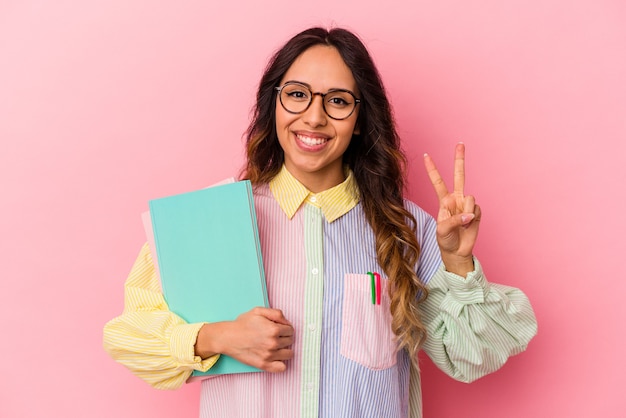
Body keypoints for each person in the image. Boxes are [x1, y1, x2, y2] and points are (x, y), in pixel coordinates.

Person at [103, 27, 537, 418]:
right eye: (297, 94)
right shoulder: (210, 220)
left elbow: (474, 356)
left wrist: (459, 264)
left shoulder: (408, 230)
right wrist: (217, 337)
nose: (314, 117)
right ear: (272, 103)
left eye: (337, 101)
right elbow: (128, 336)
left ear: (361, 120)